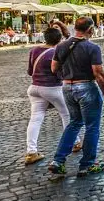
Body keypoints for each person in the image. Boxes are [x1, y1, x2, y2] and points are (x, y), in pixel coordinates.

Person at [47, 17, 104, 178]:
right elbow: (98, 74)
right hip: (86, 87)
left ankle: (58, 161)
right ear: (90, 30)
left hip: (67, 87)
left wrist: (66, 76)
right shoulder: (92, 47)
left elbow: (53, 68)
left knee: (74, 123)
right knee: (92, 126)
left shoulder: (61, 46)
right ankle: (87, 164)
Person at [24, 26, 81, 165]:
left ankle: (31, 151)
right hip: (52, 88)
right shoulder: (57, 52)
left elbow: (30, 71)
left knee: (35, 119)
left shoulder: (34, 50)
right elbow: (61, 73)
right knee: (67, 115)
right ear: (59, 39)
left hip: (34, 88)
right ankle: (76, 142)